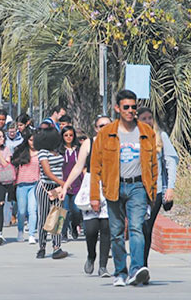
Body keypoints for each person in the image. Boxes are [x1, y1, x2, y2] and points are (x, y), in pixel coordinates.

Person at [90, 89, 157, 287]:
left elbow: (153, 165)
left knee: (137, 228)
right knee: (117, 232)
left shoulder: (147, 132)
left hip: (138, 186)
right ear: (117, 108)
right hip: (114, 186)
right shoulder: (106, 133)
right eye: (126, 107)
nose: (130, 111)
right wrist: (95, 196)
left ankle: (136, 269)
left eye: (133, 107)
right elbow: (95, 167)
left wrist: (152, 191)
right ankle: (120, 272)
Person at [63, 115, 113, 277]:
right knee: (91, 230)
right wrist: (65, 186)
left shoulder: (117, 143)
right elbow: (78, 167)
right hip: (92, 185)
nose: (104, 128)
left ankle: (103, 266)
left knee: (106, 228)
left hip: (111, 186)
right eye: (100, 126)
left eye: (107, 125)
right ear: (96, 128)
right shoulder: (88, 143)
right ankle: (91, 256)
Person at [137, 107, 179, 271]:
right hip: (136, 189)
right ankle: (137, 263)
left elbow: (171, 161)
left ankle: (142, 264)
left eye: (149, 118)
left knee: (146, 227)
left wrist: (170, 188)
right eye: (143, 118)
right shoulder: (133, 138)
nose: (147, 121)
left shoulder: (161, 137)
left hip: (156, 190)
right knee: (137, 227)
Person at [34, 127, 68, 260]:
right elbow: (47, 171)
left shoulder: (58, 152)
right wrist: (63, 182)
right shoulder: (42, 152)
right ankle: (41, 246)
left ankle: (57, 247)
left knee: (57, 216)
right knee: (43, 217)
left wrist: (62, 184)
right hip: (45, 187)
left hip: (57, 188)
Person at [11, 129, 39, 244]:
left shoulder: (41, 153)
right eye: (31, 140)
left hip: (35, 184)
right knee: (21, 211)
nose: (33, 142)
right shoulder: (21, 152)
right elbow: (13, 165)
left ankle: (32, 234)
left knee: (33, 210)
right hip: (21, 184)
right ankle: (20, 230)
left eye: (35, 140)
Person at [60, 125, 82, 242]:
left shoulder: (78, 150)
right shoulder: (59, 151)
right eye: (66, 135)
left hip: (77, 184)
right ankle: (63, 233)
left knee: (76, 210)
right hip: (63, 185)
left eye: (70, 135)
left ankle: (74, 226)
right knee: (65, 211)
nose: (68, 137)